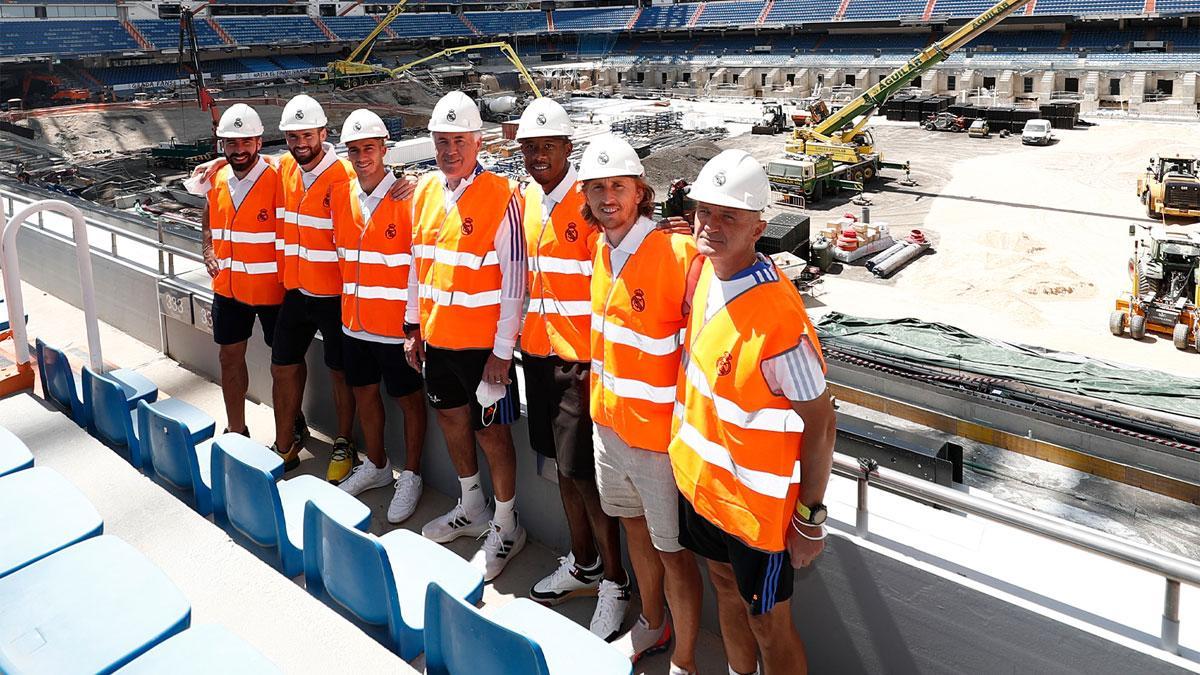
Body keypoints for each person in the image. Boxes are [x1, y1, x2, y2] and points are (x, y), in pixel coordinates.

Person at [668, 149, 837, 675]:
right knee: (724, 588)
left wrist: (810, 520)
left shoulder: (779, 320)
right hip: (704, 492)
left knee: (770, 624)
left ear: (758, 226)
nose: (710, 226)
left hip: (757, 513)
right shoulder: (704, 277)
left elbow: (821, 421)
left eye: (729, 217)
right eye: (705, 212)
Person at [581, 135, 703, 675]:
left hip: (658, 443)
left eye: (619, 187)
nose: (608, 197)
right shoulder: (599, 251)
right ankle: (652, 620)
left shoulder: (679, 256)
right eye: (598, 187)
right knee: (633, 529)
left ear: (640, 193)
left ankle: (684, 659)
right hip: (609, 430)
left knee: (674, 552)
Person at [515, 98, 629, 640]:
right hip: (538, 358)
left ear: (568, 150)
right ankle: (583, 565)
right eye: (529, 148)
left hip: (580, 366)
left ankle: (614, 582)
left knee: (585, 477)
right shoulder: (528, 201)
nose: (538, 155)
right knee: (562, 470)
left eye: (548, 146)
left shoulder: (588, 209)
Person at [405, 91, 527, 581]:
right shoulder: (425, 192)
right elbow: (419, 266)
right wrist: (413, 327)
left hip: (484, 353)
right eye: (441, 141)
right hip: (439, 343)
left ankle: (505, 525)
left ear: (478, 142)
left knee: (493, 435)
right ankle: (471, 506)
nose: (450, 150)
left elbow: (515, 279)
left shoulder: (502, 196)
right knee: (453, 423)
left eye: (459, 140)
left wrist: (502, 352)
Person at [329, 109, 427, 523]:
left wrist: (413, 325)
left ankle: (413, 475)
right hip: (354, 324)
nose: (362, 156)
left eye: (369, 148)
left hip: (394, 328)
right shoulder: (343, 194)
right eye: (354, 150)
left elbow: (416, 267)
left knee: (408, 402)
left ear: (384, 149)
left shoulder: (408, 197)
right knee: (365, 395)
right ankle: (378, 464)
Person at [270, 94, 357, 482]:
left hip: (335, 297)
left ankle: (344, 441)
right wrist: (218, 161)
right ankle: (284, 442)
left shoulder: (344, 177)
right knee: (282, 365)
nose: (299, 143)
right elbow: (253, 166)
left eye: (307, 135)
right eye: (292, 137)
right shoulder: (287, 168)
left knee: (341, 372)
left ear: (323, 133)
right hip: (297, 292)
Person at [197, 103, 283, 438]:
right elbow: (208, 212)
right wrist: (207, 247)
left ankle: (290, 427)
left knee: (284, 365)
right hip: (229, 290)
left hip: (272, 289)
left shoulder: (278, 175)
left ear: (259, 142)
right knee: (229, 359)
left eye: (246, 142)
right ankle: (236, 430)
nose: (239, 149)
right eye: (231, 144)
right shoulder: (216, 176)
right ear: (222, 146)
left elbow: (320, 162)